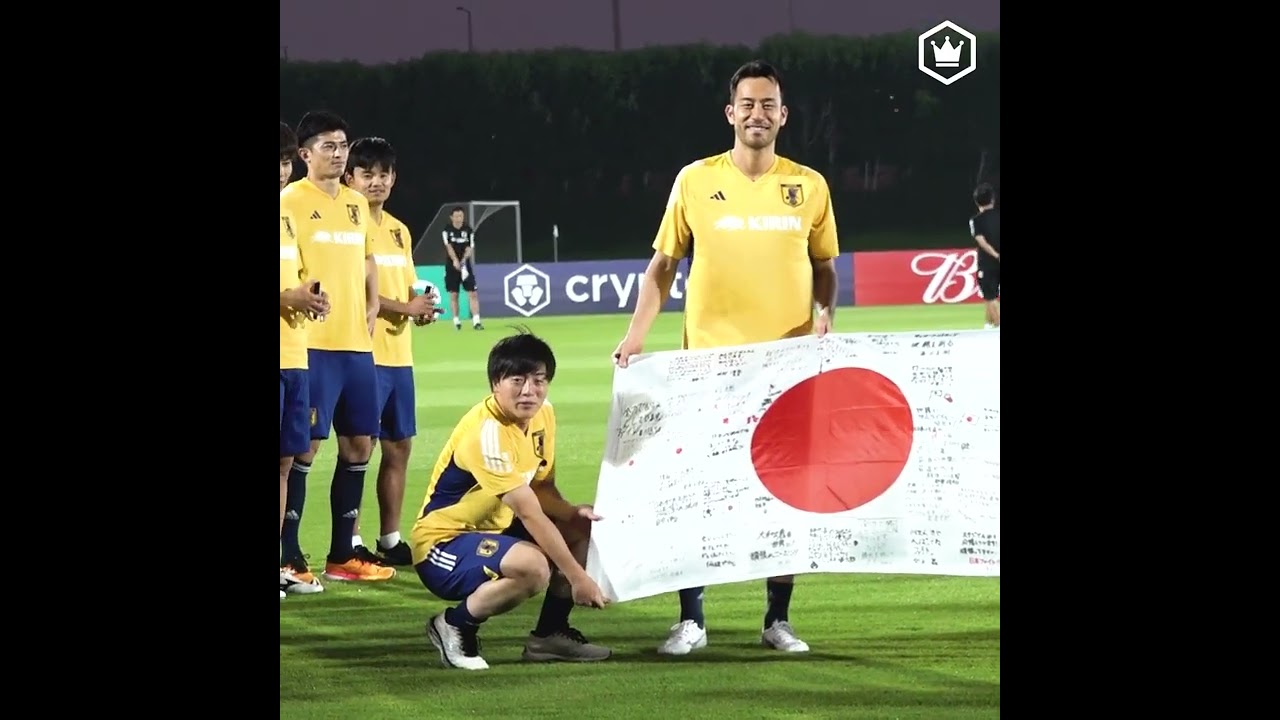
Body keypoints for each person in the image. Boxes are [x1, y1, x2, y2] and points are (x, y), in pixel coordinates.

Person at [612, 60, 839, 656]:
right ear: (730, 113)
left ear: (783, 115)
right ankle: (691, 620)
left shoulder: (809, 186)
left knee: (784, 498)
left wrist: (824, 314)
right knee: (700, 494)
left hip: (786, 371)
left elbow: (824, 267)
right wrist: (636, 335)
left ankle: (777, 620)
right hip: (709, 369)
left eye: (768, 104)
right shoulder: (694, 180)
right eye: (748, 104)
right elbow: (662, 266)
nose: (757, 113)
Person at [411, 330, 611, 670]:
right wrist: (579, 578)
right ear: (495, 384)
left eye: (539, 380)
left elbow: (541, 487)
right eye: (517, 380)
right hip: (443, 544)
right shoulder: (486, 433)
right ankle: (454, 624)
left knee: (581, 528)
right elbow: (531, 514)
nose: (529, 391)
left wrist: (571, 512)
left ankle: (549, 635)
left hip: (498, 529)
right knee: (533, 567)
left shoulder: (543, 414)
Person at [279, 110, 396, 587]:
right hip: (311, 345)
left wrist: (372, 305)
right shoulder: (289, 200)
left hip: (356, 347)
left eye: (343, 145)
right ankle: (289, 556)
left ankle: (342, 554)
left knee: (360, 442)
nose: (339, 153)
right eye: (329, 145)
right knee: (302, 448)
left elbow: (367, 259)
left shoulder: (354, 203)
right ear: (305, 154)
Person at [342, 136, 437, 566]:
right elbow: (355, 291)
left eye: (384, 174)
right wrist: (405, 307)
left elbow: (408, 287)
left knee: (399, 447)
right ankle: (351, 539)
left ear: (394, 179)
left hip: (400, 356)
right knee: (358, 449)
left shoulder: (399, 230)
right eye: (367, 174)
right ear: (350, 179)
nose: (376, 182)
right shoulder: (349, 228)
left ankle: (390, 538)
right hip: (364, 354)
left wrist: (421, 309)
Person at [279, 121, 329, 598]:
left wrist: (310, 297)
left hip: (294, 354)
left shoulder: (287, 218)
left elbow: (294, 280)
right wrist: (288, 297)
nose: (280, 171)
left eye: (283, 162)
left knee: (285, 463)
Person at [442, 206, 483, 331]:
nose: (459, 218)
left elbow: (470, 247)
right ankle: (456, 321)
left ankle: (476, 321)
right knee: (454, 294)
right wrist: (455, 260)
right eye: (456, 216)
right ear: (452, 217)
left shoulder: (468, 230)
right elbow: (449, 247)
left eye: (461, 216)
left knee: (473, 293)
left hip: (465, 266)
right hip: (452, 266)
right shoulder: (447, 230)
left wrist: (463, 260)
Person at [969, 183, 1000, 328]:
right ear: (992, 199)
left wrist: (996, 255)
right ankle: (989, 323)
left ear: (976, 201)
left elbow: (981, 241)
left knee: (990, 295)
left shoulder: (976, 220)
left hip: (987, 263)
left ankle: (997, 325)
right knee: (989, 296)